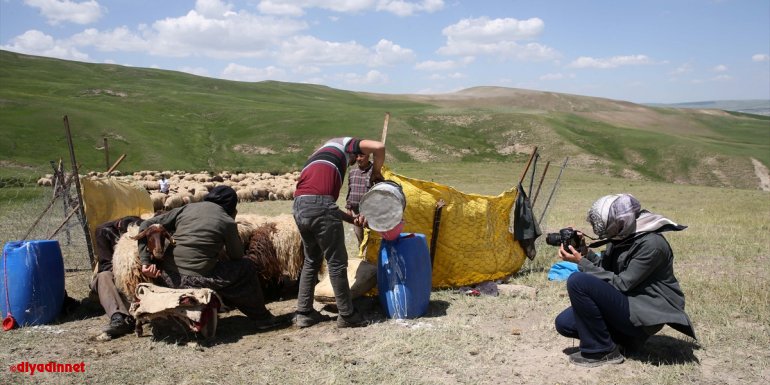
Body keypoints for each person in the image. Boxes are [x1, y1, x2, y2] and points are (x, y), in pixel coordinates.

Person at [554, 193, 696, 367]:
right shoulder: (623, 235)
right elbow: (607, 271)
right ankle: (625, 341)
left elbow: (622, 283)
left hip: (646, 308)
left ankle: (602, 351)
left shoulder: (652, 245)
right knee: (565, 323)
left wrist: (581, 263)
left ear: (620, 221)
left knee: (578, 281)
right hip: (628, 302)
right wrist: (586, 253)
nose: (600, 230)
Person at [138, 185, 284, 330]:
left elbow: (145, 224)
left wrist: (145, 261)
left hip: (166, 276)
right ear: (232, 206)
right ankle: (262, 318)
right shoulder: (227, 221)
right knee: (246, 267)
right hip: (194, 280)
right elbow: (236, 256)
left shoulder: (187, 208)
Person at [292, 137, 385, 328]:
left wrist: (352, 219)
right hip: (319, 205)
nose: (355, 159)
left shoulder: (315, 158)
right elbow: (379, 147)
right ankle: (347, 315)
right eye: (356, 154)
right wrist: (376, 172)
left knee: (311, 259)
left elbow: (322, 204)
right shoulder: (345, 144)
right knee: (336, 262)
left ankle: (304, 313)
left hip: (299, 206)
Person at [91, 215, 144, 337]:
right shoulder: (104, 231)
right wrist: (125, 270)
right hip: (115, 273)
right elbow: (105, 264)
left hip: (137, 274)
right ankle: (118, 318)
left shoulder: (142, 228)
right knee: (104, 276)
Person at [345, 153, 373, 244]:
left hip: (370, 214)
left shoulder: (375, 171)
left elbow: (378, 195)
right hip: (355, 213)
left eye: (361, 156)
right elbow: (350, 190)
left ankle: (371, 257)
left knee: (371, 240)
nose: (358, 159)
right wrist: (349, 208)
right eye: (356, 156)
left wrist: (367, 213)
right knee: (360, 239)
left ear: (368, 156)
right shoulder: (352, 172)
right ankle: (363, 256)